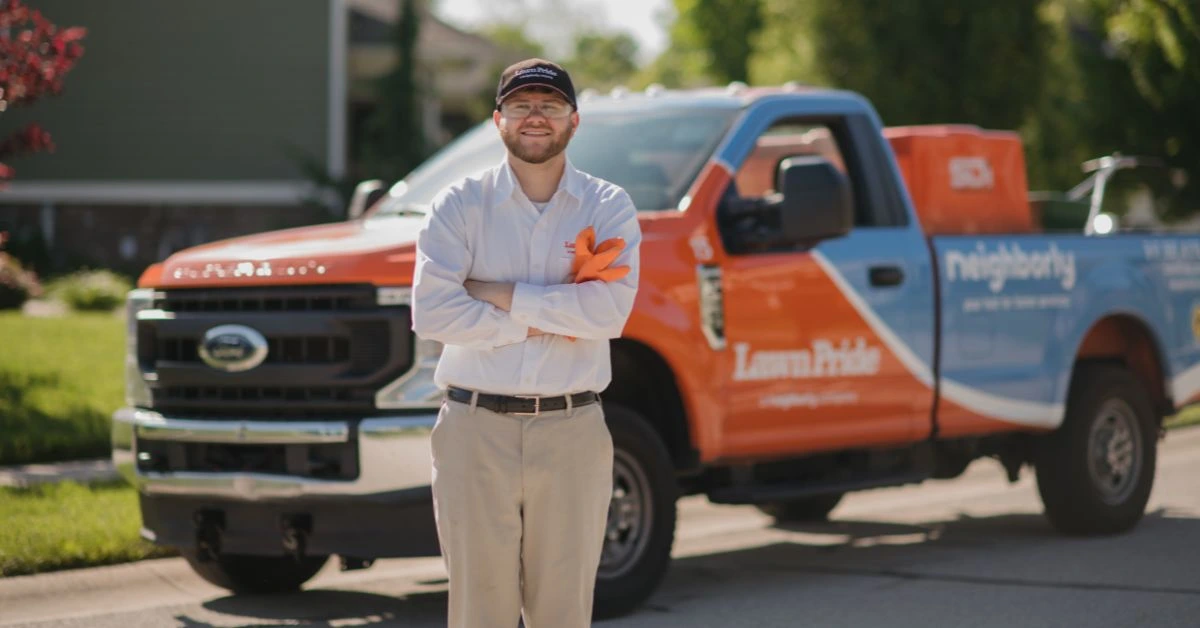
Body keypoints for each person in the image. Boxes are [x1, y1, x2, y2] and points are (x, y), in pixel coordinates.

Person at [410, 58, 642, 627]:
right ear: (498, 120)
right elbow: (434, 312)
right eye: (521, 105)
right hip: (473, 429)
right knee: (477, 611)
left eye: (550, 104)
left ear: (573, 119)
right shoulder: (458, 204)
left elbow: (609, 312)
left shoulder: (608, 207)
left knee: (563, 612)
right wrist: (551, 315)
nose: (535, 117)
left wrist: (497, 293)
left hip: (573, 430)